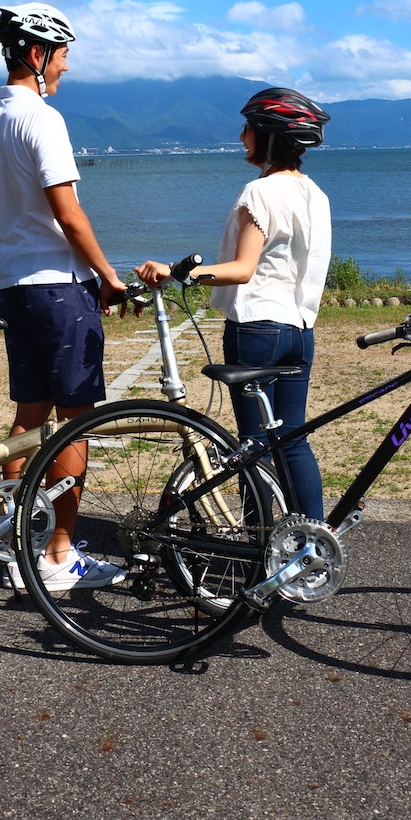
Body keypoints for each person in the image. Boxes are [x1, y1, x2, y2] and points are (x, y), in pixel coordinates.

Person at [0, 2, 128, 591]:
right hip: (60, 291)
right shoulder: (44, 119)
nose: (65, 69)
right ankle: (60, 554)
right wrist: (108, 275)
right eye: (61, 57)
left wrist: (5, 262)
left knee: (28, 422)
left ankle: (18, 547)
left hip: (15, 287)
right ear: (36, 55)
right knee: (73, 425)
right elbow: (69, 213)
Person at [136, 87, 331, 520]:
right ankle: (312, 543)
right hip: (300, 330)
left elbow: (243, 268)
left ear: (269, 136)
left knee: (252, 445)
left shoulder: (260, 193)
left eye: (249, 128)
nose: (243, 136)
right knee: (293, 439)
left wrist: (177, 271)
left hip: (257, 329)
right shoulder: (316, 194)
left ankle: (260, 550)